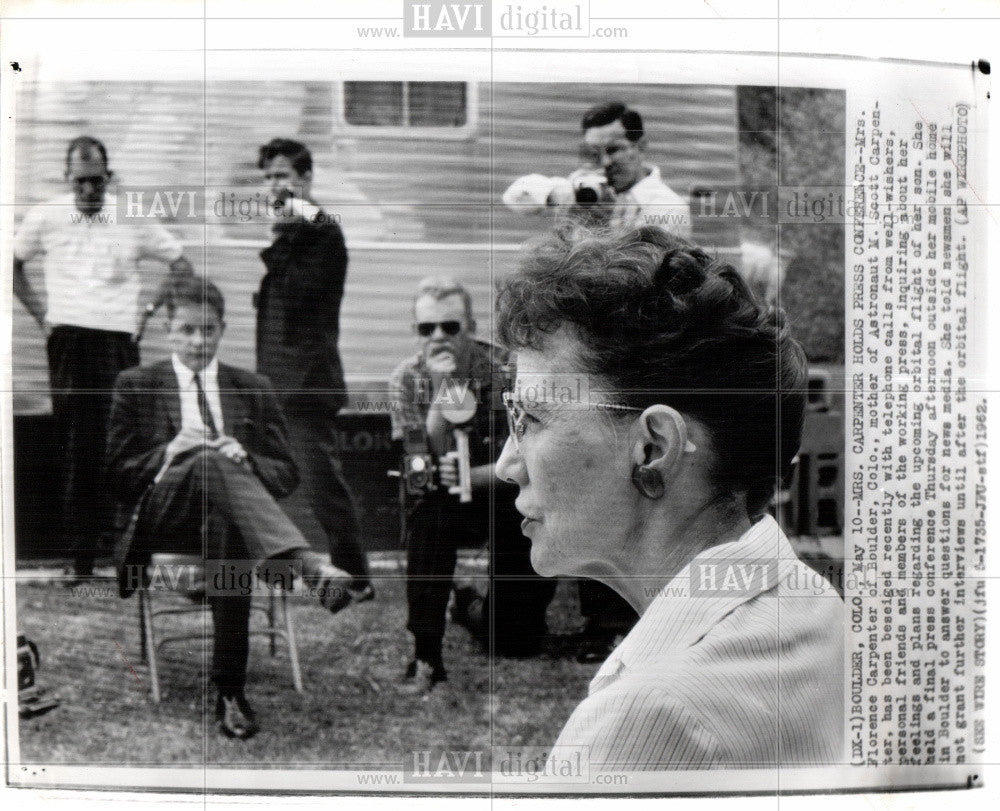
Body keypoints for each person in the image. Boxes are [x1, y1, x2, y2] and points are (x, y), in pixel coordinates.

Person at [494, 225, 843, 770]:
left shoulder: (646, 718)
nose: (506, 465)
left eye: (531, 418)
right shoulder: (813, 607)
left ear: (654, 449)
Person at [107, 277, 354, 740]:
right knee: (204, 459)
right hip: (163, 518)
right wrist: (169, 452)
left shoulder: (252, 387)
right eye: (187, 330)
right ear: (167, 329)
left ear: (223, 329)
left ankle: (229, 690)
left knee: (226, 516)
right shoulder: (135, 384)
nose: (199, 341)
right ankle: (306, 565)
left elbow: (286, 473)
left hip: (231, 522)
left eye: (209, 330)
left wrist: (248, 459)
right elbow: (116, 476)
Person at [12, 135, 194, 582]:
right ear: (67, 178)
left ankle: (130, 560)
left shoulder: (132, 216)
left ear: (109, 178)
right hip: (70, 341)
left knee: (126, 447)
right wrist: (42, 318)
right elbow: (10, 263)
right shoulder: (47, 216)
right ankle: (80, 563)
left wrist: (149, 312)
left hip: (117, 343)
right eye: (80, 183)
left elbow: (181, 264)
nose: (89, 192)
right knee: (78, 448)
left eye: (97, 182)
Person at [388, 277, 556, 695]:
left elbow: (533, 459)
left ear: (472, 326)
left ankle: (468, 607)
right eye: (427, 329)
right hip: (443, 503)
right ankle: (427, 652)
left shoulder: (509, 371)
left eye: (451, 326)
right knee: (428, 515)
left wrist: (472, 476)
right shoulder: (407, 379)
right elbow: (419, 475)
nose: (439, 337)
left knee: (515, 644)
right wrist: (444, 396)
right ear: (416, 334)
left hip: (505, 494)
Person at [254, 138, 373, 601]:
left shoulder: (321, 232)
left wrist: (289, 220)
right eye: (267, 178)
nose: (273, 187)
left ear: (305, 178)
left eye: (282, 176)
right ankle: (285, 571)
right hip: (277, 384)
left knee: (322, 486)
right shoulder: (292, 234)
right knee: (272, 482)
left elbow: (303, 296)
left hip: (306, 387)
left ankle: (356, 578)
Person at [502, 101, 692, 238]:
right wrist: (555, 194)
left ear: (640, 146)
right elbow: (514, 197)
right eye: (594, 152)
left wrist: (602, 228)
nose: (604, 162)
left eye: (613, 149)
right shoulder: (582, 185)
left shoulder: (669, 208)